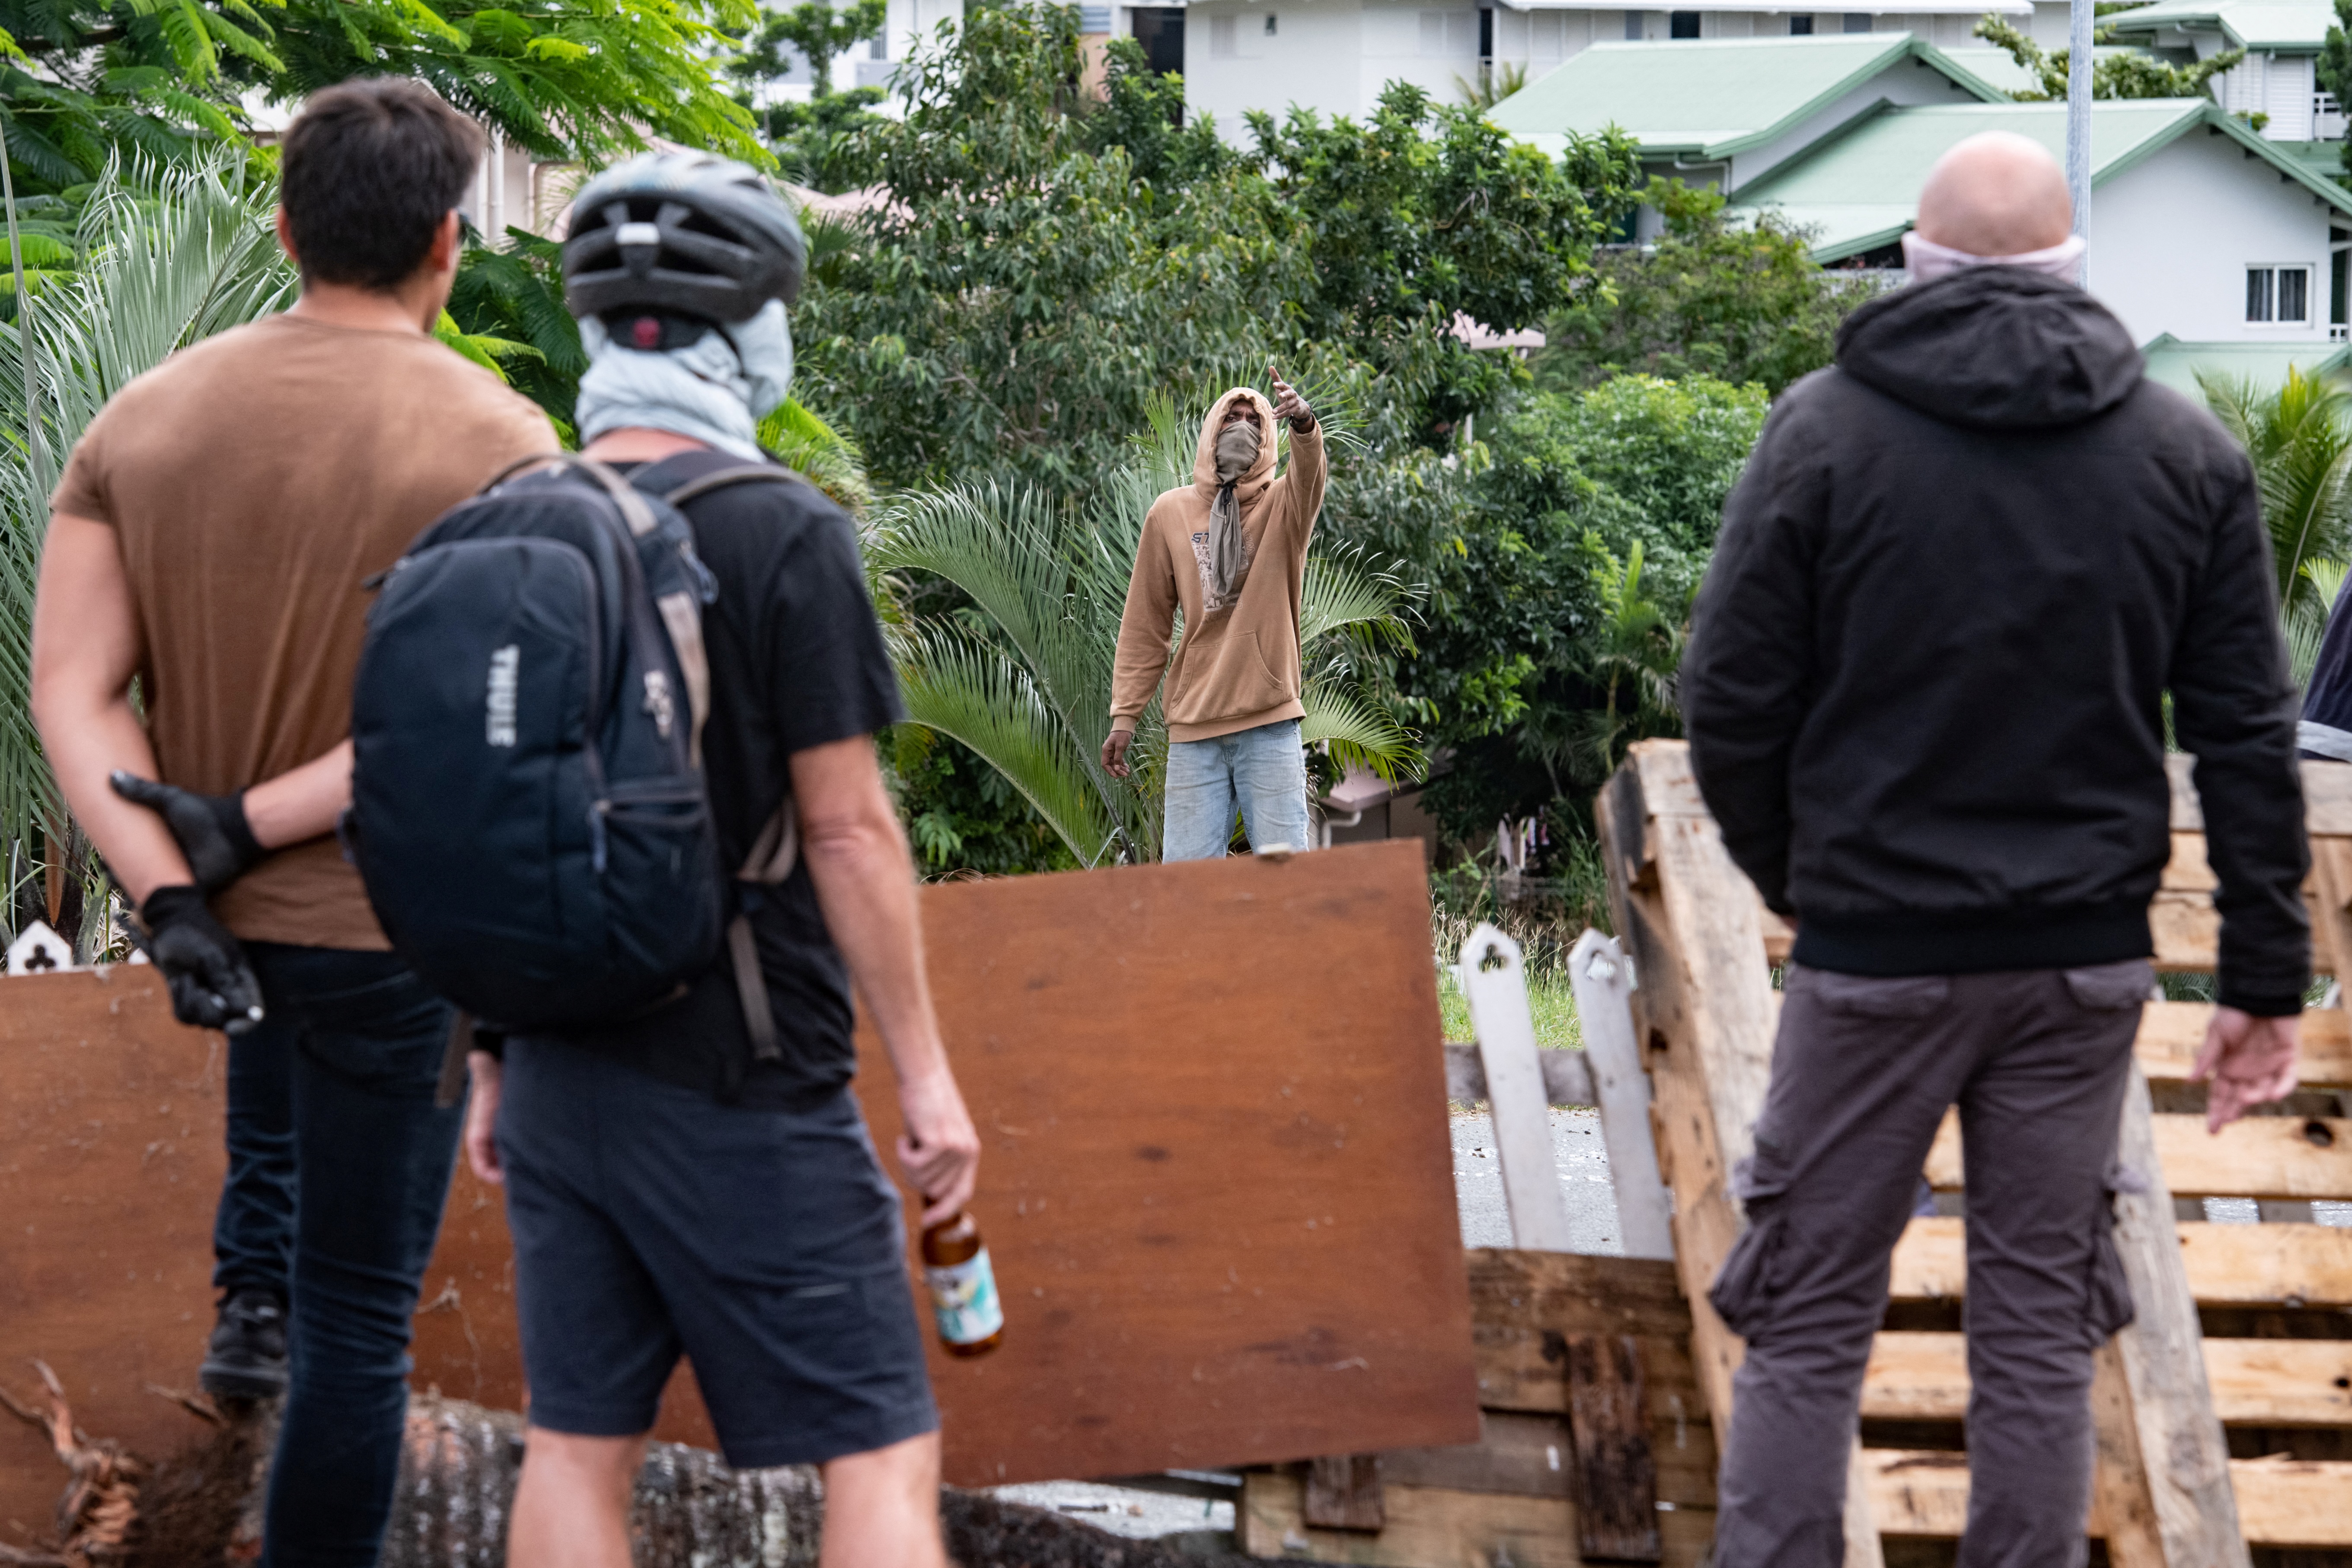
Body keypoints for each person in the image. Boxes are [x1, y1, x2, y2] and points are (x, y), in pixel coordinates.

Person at [125, 152, 984, 1568]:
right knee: (880, 1445)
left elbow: (473, 802)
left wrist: (491, 1057)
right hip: (746, 1080)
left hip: (558, 1089)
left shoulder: (507, 523)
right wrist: (931, 1080)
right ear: (750, 331)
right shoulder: (783, 533)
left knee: (583, 1450)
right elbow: (844, 828)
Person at [1680, 131, 2308, 1564]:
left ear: (1916, 264)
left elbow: (1728, 694)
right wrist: (2264, 984)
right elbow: (2245, 734)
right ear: (2074, 267)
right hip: (2078, 964)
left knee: (1807, 1315)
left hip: (1875, 957)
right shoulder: (2183, 450)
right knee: (2035, 1329)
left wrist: (1807, 882)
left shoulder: (1824, 431)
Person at [28, 79, 558, 1566]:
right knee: (361, 1322)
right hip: (399, 932)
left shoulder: (147, 417)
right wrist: (253, 830)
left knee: (271, 1057)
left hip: (224, 925)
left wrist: (173, 888)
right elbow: (470, 729)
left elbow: (71, 688)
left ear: (283, 227)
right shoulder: (506, 442)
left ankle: (245, 1302)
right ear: (450, 242)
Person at [1101, 374, 1325, 860]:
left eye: (1254, 421)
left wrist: (1304, 424)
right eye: (1230, 418)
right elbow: (1146, 623)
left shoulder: (1284, 505)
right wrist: (1125, 715)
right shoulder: (1171, 513)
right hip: (1194, 732)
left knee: (1288, 887)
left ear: (1269, 437)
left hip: (1269, 725)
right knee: (1186, 893)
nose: (1241, 428)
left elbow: (1310, 475)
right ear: (1211, 430)